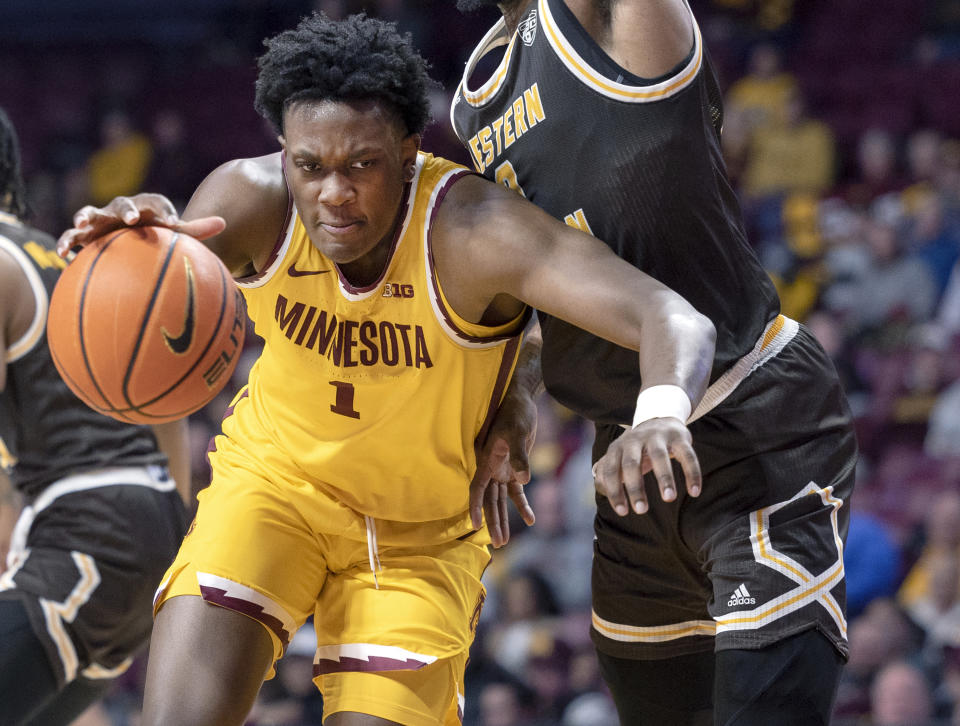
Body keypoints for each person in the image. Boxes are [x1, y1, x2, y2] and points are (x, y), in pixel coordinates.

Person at [56, 12, 716, 726]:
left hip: (419, 540)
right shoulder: (248, 203)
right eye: (310, 166)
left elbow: (670, 315)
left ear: (407, 152)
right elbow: (165, 292)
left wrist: (660, 412)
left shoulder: (472, 231)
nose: (332, 194)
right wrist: (138, 250)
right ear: (283, 153)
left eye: (360, 166)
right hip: (274, 489)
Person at [451, 1, 859, 723]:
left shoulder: (610, 21)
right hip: (630, 463)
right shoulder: (476, 97)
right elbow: (556, 292)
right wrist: (517, 394)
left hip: (754, 420)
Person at [0, 107, 190, 725]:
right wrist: (168, 518)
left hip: (81, 530)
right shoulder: (66, 258)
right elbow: (165, 395)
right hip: (142, 522)